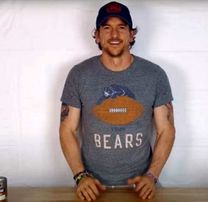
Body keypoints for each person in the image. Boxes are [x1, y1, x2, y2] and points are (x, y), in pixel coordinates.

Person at [59, 1, 175, 201]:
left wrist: (151, 176)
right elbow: (67, 128)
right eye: (107, 28)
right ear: (97, 34)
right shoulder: (78, 75)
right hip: (91, 187)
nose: (114, 35)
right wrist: (80, 176)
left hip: (141, 187)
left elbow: (166, 129)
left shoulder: (155, 75)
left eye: (121, 28)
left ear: (132, 34)